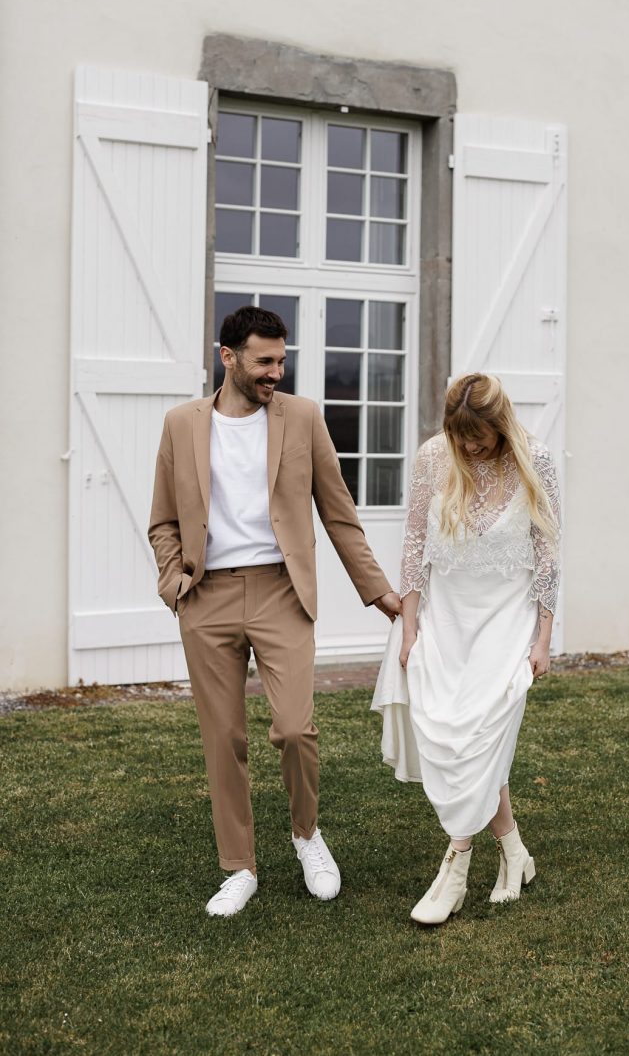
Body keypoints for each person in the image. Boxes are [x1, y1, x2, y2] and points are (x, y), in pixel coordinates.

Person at [149, 305, 400, 917]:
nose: (275, 373)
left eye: (282, 361)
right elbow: (162, 519)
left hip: (281, 592)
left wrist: (382, 595)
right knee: (223, 737)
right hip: (206, 598)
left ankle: (306, 834)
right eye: (264, 361)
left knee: (293, 727)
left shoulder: (304, 419)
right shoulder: (181, 424)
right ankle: (239, 867)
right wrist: (174, 577)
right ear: (227, 357)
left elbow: (339, 515)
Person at [372, 373, 560, 925]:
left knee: (481, 734)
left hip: (507, 617)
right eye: (461, 437)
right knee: (455, 737)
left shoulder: (537, 458)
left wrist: (544, 637)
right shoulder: (434, 457)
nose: (470, 448)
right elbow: (412, 544)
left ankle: (455, 866)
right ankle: (515, 853)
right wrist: (409, 630)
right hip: (444, 615)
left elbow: (547, 553)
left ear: (500, 426)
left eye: (479, 437)